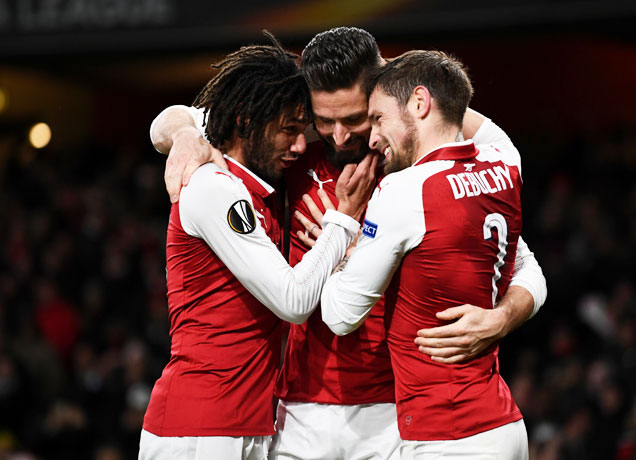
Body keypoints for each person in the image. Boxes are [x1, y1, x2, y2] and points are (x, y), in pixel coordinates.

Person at [150, 27, 546, 460]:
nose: (338, 136)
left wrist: (503, 317)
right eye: (324, 121)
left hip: (391, 413)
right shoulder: (290, 143)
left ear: (382, 99)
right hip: (295, 411)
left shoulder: (419, 162)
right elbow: (172, 121)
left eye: (355, 119)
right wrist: (186, 133)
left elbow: (516, 254)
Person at [139, 36, 378, 460]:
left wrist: (180, 130)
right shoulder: (215, 188)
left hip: (247, 421)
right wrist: (342, 220)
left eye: (302, 130)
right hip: (200, 428)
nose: (302, 145)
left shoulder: (256, 187)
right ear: (246, 121)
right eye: (289, 130)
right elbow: (292, 300)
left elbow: (170, 121)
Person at [320, 49, 529, 459]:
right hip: (502, 425)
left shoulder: (404, 191)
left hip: (449, 435)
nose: (373, 137)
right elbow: (530, 271)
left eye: (378, 118)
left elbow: (339, 314)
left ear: (419, 103)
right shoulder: (505, 158)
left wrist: (343, 235)